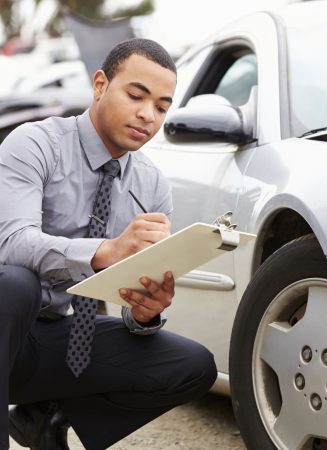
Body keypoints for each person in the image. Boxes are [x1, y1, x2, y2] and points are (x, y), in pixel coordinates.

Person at [0, 38, 217, 450]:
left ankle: (43, 418)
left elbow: (134, 303)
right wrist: (105, 252)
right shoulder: (33, 144)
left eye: (161, 106)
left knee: (193, 365)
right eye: (136, 95)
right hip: (4, 317)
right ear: (100, 85)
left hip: (52, 339)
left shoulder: (152, 186)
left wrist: (146, 312)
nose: (146, 115)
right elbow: (11, 244)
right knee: (14, 284)